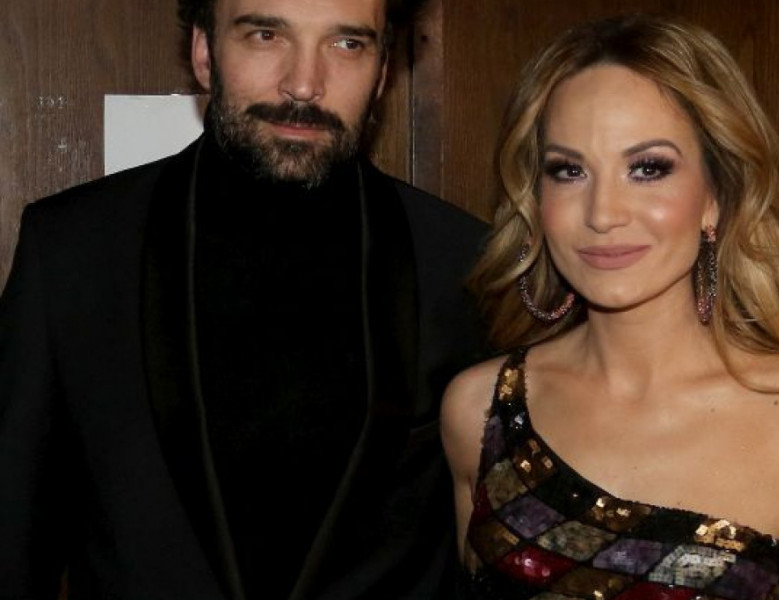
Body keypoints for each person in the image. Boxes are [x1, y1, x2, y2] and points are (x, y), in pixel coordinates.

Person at [0, 0, 487, 598]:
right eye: (265, 35)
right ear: (205, 52)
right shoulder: (73, 250)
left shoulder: (464, 266)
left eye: (347, 44)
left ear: (383, 70)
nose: (304, 84)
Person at [441, 14, 779, 600]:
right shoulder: (478, 411)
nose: (603, 213)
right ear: (536, 199)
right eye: (569, 171)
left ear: (715, 196)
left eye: (648, 168)